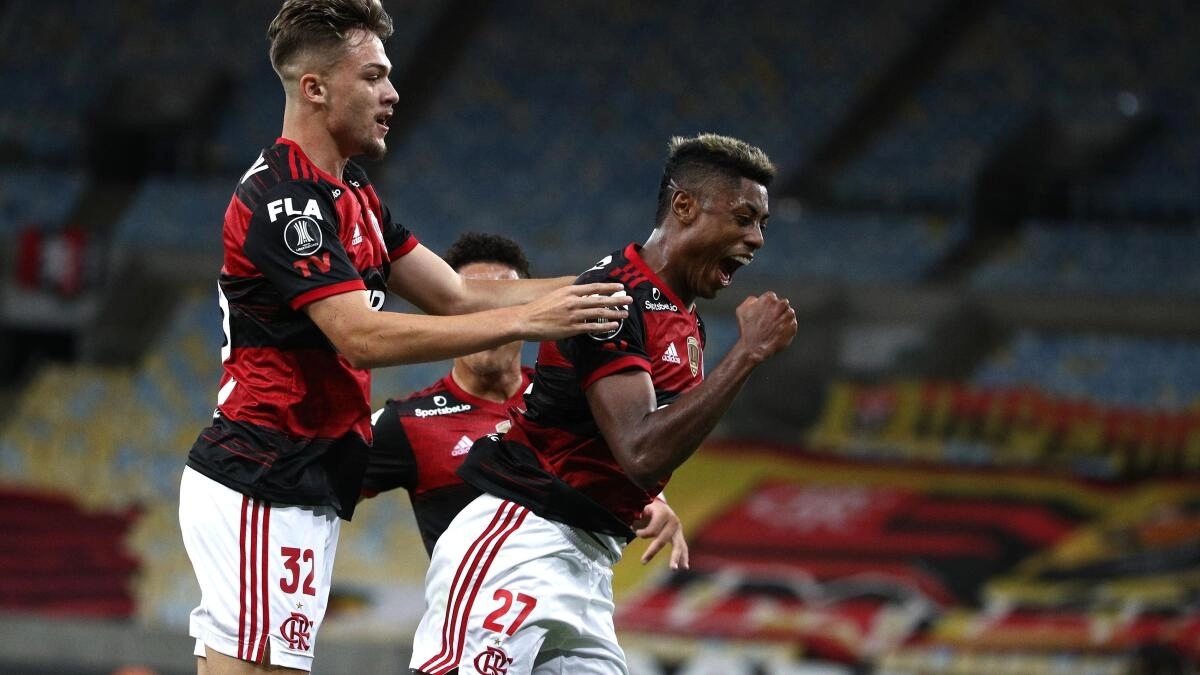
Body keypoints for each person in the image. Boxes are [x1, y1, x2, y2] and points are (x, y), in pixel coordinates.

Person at [177, 2, 629, 674]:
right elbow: (358, 335)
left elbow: (453, 292)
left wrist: (593, 288)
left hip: (300, 475)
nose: (393, 93)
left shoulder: (351, 192)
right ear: (316, 88)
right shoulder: (285, 201)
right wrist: (529, 321)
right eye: (374, 76)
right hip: (262, 471)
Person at [409, 133, 798, 675]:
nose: (756, 238)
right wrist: (747, 355)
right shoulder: (610, 295)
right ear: (684, 206)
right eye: (742, 217)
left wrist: (649, 504)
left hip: (589, 561)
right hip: (522, 541)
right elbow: (640, 449)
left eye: (762, 224)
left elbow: (626, 455)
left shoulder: (683, 318)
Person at [361, 232, 688, 567]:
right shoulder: (408, 423)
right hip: (473, 609)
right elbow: (318, 481)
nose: (486, 322)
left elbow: (622, 456)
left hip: (564, 599)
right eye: (472, 309)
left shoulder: (569, 401)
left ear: (535, 313)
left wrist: (656, 502)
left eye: (501, 307)